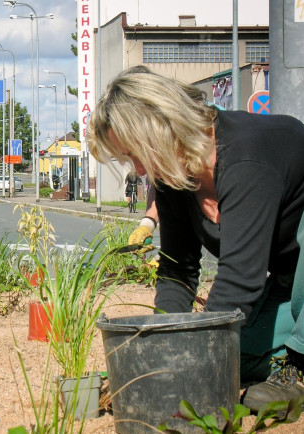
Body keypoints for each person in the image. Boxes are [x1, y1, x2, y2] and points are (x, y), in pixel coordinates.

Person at [88, 70, 304, 411]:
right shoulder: (174, 176)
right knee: (239, 357)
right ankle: (290, 353)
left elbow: (238, 280)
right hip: (288, 284)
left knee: (212, 357)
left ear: (160, 129)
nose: (139, 170)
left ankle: (298, 366)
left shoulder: (246, 156)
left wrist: (180, 369)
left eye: (135, 153)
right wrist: (157, 353)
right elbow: (178, 272)